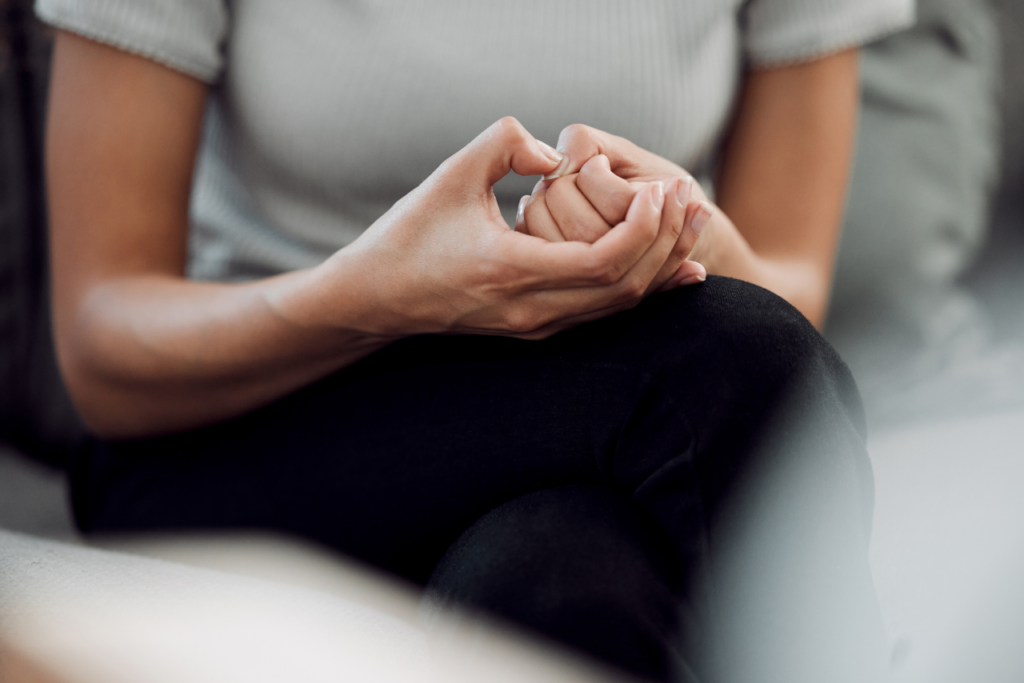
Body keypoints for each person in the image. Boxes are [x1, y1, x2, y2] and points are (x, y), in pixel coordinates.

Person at [39, 1, 913, 681]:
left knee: (557, 584)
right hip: (245, 424)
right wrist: (372, 294)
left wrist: (690, 231)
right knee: (732, 361)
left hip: (581, 411)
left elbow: (791, 274)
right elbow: (99, 347)